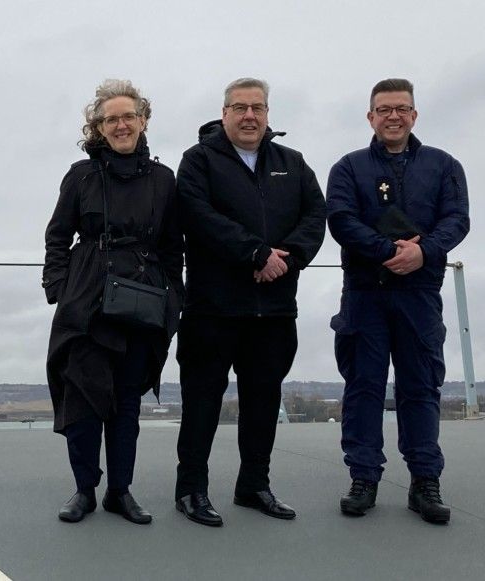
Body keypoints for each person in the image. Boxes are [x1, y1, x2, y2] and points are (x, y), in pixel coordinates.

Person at [174, 78, 326, 526]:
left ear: (267, 113)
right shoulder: (198, 161)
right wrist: (255, 253)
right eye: (239, 107)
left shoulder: (292, 163)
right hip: (212, 309)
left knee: (263, 402)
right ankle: (191, 491)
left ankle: (253, 485)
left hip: (273, 310)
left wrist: (288, 258)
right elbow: (198, 217)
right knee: (201, 403)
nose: (249, 116)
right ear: (224, 114)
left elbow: (315, 216)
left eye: (257, 107)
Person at [327, 78, 469, 524]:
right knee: (364, 387)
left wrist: (423, 251)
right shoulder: (348, 168)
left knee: (421, 388)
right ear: (370, 116)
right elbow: (341, 219)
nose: (393, 116)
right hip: (366, 294)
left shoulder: (444, 166)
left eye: (402, 108)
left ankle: (425, 481)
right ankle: (364, 477)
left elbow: (457, 218)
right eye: (384, 109)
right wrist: (388, 252)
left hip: (420, 295)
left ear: (414, 115)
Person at [43, 79, 183, 525]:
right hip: (86, 300)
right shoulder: (81, 176)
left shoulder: (163, 179)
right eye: (111, 119)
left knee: (125, 405)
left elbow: (172, 246)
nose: (121, 125)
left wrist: (172, 301)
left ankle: (120, 492)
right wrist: (60, 289)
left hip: (140, 302)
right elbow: (58, 237)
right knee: (83, 400)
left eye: (128, 117)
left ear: (143, 121)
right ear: (98, 127)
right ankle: (84, 489)